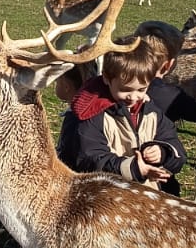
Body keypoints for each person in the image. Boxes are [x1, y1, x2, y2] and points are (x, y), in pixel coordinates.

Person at [73, 39, 186, 193]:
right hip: (110, 198)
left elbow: (176, 147)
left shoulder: (151, 112)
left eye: (141, 89)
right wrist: (133, 169)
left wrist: (163, 152)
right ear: (106, 78)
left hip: (150, 196)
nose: (133, 97)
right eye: (125, 90)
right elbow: (90, 159)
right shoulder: (94, 115)